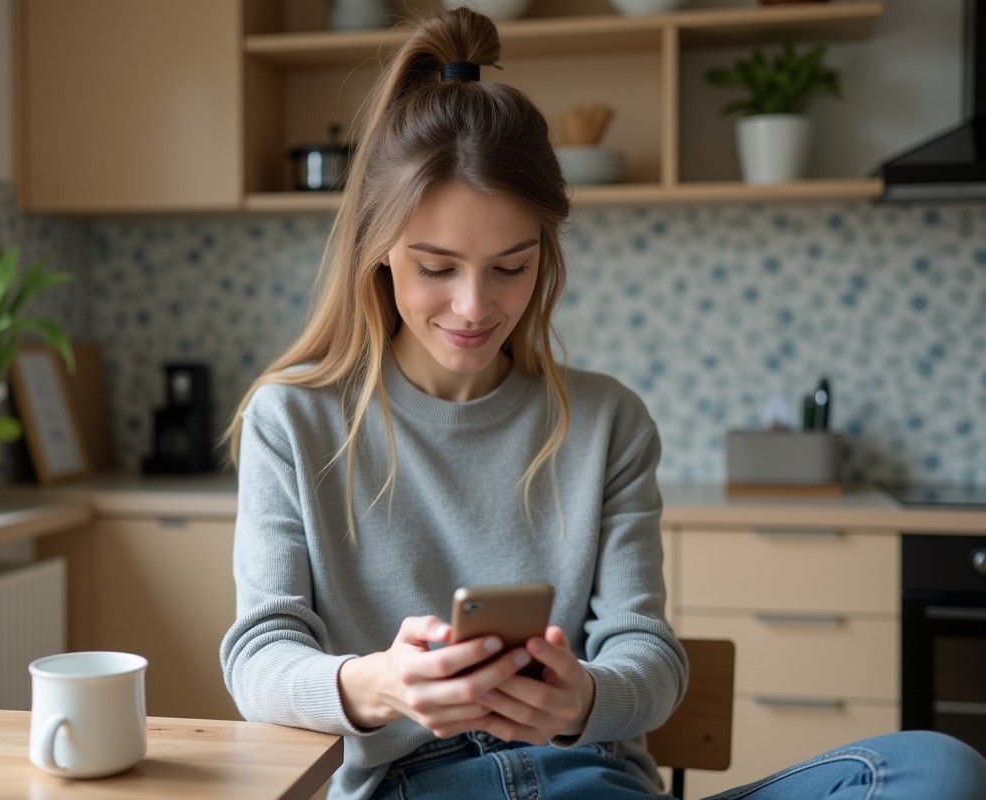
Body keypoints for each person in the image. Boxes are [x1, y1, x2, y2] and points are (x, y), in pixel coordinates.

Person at [219, 8, 986, 800]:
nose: (474, 306)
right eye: (437, 267)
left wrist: (582, 697)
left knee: (939, 768)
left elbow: (647, 654)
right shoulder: (295, 420)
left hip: (593, 780)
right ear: (379, 249)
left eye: (510, 266)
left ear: (544, 252)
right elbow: (259, 658)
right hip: (415, 785)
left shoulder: (607, 423)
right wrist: (380, 685)